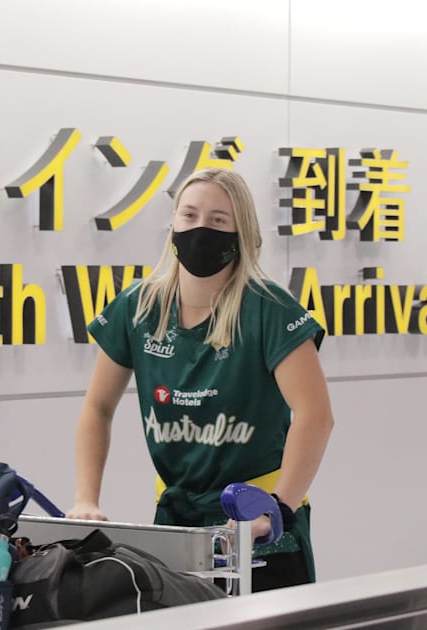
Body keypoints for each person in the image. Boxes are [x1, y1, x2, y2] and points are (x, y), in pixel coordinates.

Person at [64, 167, 334, 591]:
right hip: (178, 527)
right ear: (172, 224)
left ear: (240, 232)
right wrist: (86, 499)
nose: (200, 229)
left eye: (218, 220)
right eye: (188, 216)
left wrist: (275, 509)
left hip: (259, 527)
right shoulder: (139, 307)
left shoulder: (269, 309)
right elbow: (97, 407)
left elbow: (315, 416)